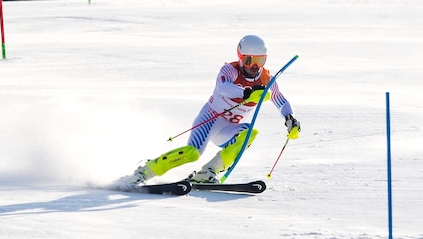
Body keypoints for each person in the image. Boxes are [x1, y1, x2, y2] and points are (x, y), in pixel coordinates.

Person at [121, 35, 300, 185]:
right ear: (240, 57)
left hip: (229, 128)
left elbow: (280, 100)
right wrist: (247, 93)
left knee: (250, 134)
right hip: (210, 119)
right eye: (249, 60)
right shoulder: (229, 70)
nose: (254, 67)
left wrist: (289, 118)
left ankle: (207, 173)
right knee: (192, 154)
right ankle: (145, 172)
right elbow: (224, 88)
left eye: (260, 61)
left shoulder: (266, 79)